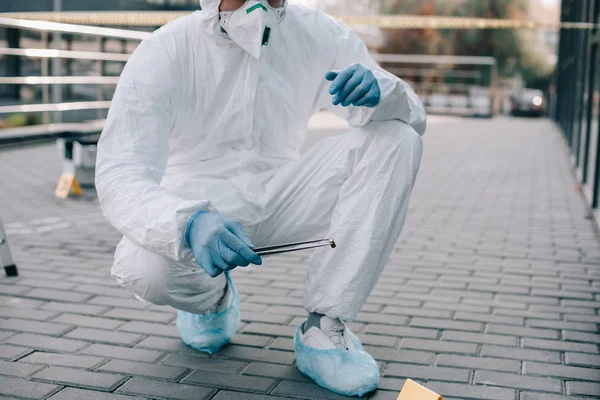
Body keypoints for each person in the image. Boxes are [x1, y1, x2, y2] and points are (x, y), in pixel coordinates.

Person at [96, 0, 425, 396]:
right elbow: (120, 171)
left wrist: (384, 93)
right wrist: (185, 223)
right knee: (143, 267)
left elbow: (412, 118)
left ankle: (324, 326)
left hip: (283, 194)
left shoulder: (321, 33)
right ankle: (210, 299)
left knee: (396, 139)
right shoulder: (167, 47)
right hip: (199, 210)